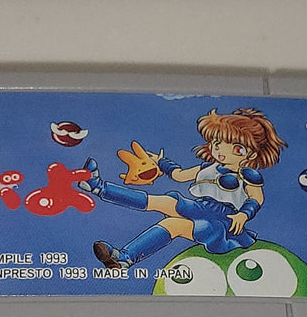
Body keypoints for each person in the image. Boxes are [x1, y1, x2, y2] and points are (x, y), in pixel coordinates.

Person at [79, 107, 286, 270]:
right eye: (217, 142)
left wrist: (243, 215)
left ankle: (124, 258)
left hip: (223, 221)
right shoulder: (208, 168)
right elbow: (179, 175)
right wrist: (161, 162)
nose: (221, 150)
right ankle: (98, 187)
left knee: (172, 224)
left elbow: (256, 198)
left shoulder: (247, 175)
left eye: (235, 147)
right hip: (201, 207)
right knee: (163, 201)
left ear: (250, 154)